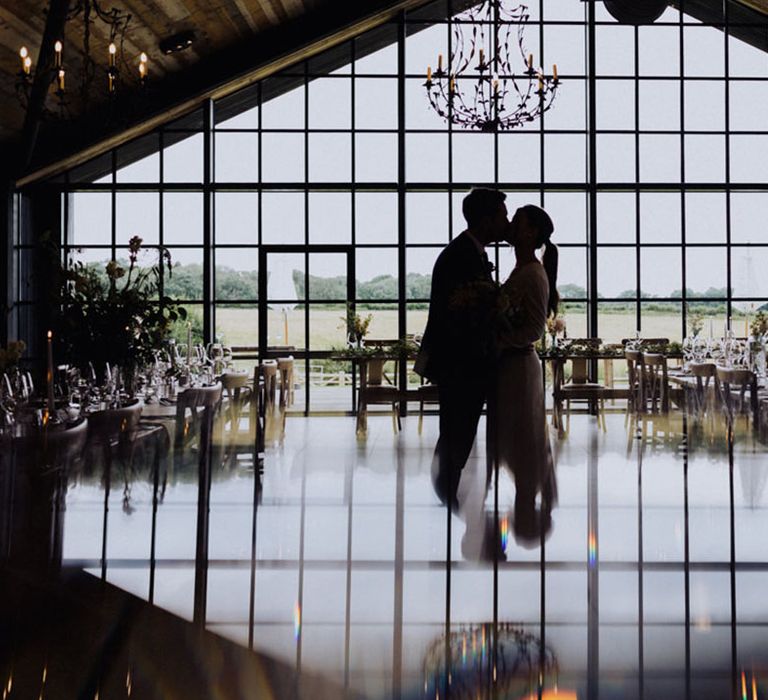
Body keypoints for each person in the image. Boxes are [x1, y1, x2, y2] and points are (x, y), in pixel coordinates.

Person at [415, 187, 509, 510]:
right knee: (457, 426)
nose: (506, 222)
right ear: (486, 220)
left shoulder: (469, 252)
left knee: (459, 427)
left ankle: (448, 487)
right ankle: (446, 488)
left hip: (463, 362)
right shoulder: (460, 256)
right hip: (461, 362)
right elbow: (457, 313)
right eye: (502, 216)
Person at [490, 204, 558, 544]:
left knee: (521, 439)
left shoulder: (532, 273)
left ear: (531, 233)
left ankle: (525, 489)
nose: (511, 225)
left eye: (517, 221)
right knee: (517, 438)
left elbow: (534, 329)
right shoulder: (524, 269)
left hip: (518, 364)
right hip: (512, 365)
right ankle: (523, 490)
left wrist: (498, 341)